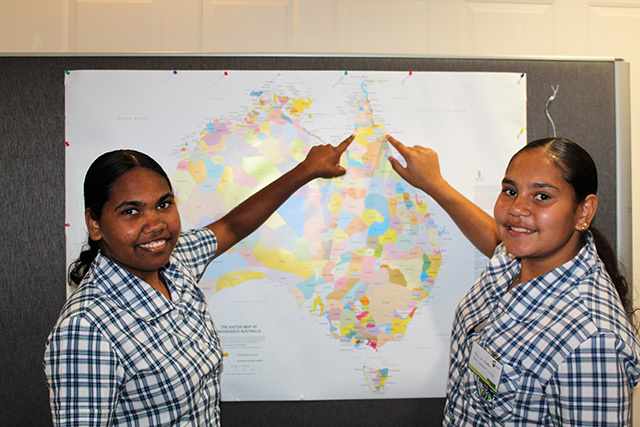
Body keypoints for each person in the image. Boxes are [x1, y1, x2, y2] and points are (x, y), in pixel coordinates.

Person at [44, 134, 354, 426]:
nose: (155, 223)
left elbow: (232, 226)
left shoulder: (176, 264)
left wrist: (307, 170)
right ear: (94, 223)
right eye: (130, 211)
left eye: (163, 204)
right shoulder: (85, 329)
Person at [386, 134, 640, 425]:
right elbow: (493, 236)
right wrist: (434, 184)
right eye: (510, 191)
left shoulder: (592, 343)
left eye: (542, 196)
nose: (517, 209)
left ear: (583, 212)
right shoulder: (514, 260)